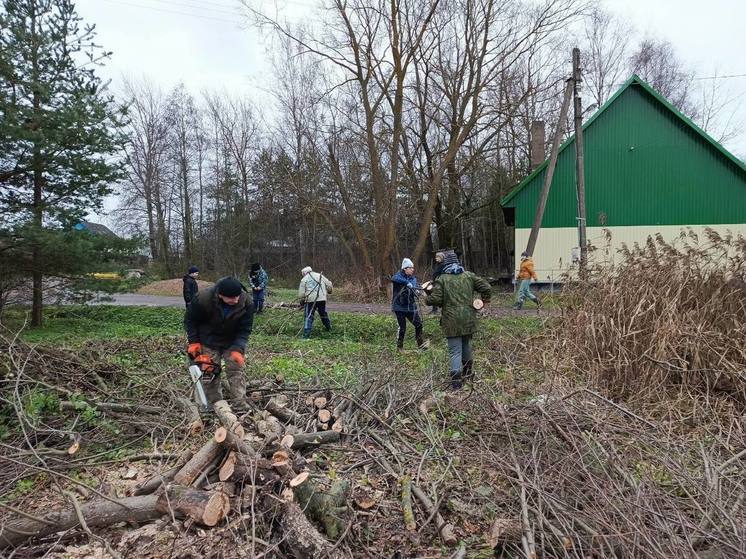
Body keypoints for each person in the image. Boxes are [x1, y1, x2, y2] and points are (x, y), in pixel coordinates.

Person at [425, 251, 492, 390]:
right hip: (469, 318)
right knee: (466, 345)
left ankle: (456, 384)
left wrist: (426, 296)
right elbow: (486, 287)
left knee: (455, 351)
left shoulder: (442, 279)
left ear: (445, 264)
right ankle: (468, 376)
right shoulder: (469, 276)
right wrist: (484, 302)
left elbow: (435, 299)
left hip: (451, 320)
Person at [185, 277, 254, 409]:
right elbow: (191, 321)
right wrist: (194, 342)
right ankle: (216, 404)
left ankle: (240, 403)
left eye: (237, 296)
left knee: (236, 371)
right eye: (232, 298)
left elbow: (245, 329)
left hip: (232, 341)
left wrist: (238, 348)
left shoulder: (246, 302)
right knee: (210, 371)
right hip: (208, 339)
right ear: (220, 295)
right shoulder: (203, 299)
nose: (236, 300)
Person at [391, 258, 427, 350]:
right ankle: (399, 348)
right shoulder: (397, 276)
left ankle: (420, 346)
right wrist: (406, 283)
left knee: (419, 325)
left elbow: (414, 288)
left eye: (413, 268)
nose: (412, 269)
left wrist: (418, 292)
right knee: (402, 328)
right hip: (399, 307)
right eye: (411, 268)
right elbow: (394, 278)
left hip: (411, 307)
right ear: (405, 269)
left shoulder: (413, 278)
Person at [298, 266, 333, 339]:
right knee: (323, 313)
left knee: (308, 316)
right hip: (322, 299)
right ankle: (329, 328)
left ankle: (306, 335)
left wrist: (302, 303)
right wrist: (329, 291)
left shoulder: (304, 279)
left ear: (304, 273)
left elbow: (301, 294)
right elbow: (329, 284)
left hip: (310, 300)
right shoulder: (320, 276)